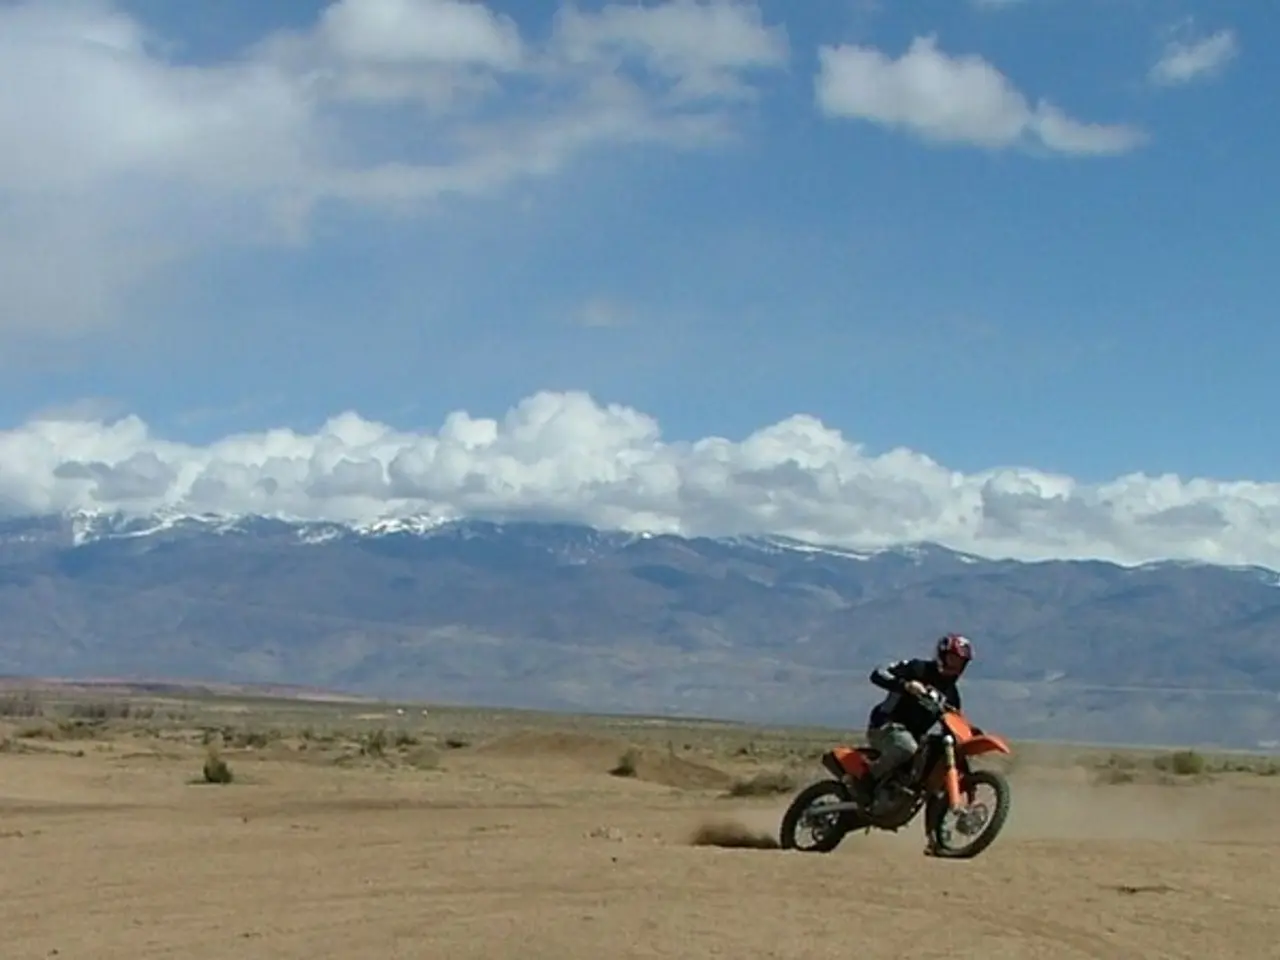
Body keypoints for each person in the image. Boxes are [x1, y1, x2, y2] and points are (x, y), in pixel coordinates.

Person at [856, 633, 974, 806]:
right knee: (906, 748)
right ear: (942, 656)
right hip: (887, 725)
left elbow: (954, 720)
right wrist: (906, 685)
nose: (956, 665)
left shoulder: (951, 695)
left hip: (916, 736)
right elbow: (879, 673)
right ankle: (866, 780)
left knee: (933, 757)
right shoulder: (918, 669)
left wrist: (969, 733)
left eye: (960, 662)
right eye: (952, 659)